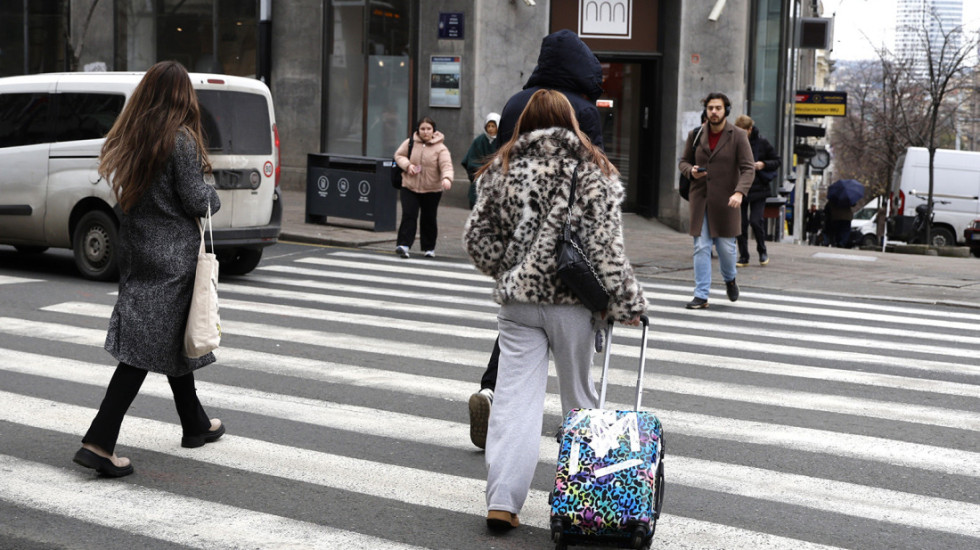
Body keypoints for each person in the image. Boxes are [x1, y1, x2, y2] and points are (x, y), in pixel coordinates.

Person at [464, 89, 646, 532]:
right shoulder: (592, 169)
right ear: (572, 122)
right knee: (580, 404)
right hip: (574, 302)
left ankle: (502, 502)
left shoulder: (501, 168)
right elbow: (606, 248)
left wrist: (506, 270)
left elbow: (477, 239)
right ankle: (589, 504)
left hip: (519, 305)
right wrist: (627, 303)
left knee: (512, 404)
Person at [73, 61, 225, 478]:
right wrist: (214, 197)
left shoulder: (135, 134)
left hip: (139, 248)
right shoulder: (180, 140)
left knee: (171, 336)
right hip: (173, 256)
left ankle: (195, 424)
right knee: (142, 349)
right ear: (182, 96)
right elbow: (196, 200)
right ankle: (99, 442)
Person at [467, 29, 606, 450]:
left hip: (519, 251)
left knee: (519, 330)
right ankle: (586, 462)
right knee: (578, 383)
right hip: (567, 255)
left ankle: (492, 394)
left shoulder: (514, 103)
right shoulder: (584, 109)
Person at [678, 92, 754, 309]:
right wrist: (690, 171)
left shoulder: (738, 135)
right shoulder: (696, 134)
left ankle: (730, 279)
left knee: (726, 249)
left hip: (727, 201)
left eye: (718, 108)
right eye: (710, 108)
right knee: (701, 246)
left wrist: (739, 192)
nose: (714, 112)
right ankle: (701, 295)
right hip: (700, 199)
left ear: (726, 111)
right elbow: (683, 162)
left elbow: (748, 168)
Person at [393, 117, 454, 259]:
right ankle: (404, 245)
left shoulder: (441, 148)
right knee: (409, 215)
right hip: (409, 186)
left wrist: (447, 178)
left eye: (428, 129)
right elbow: (398, 155)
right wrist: (408, 166)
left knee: (429, 218)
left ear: (434, 131)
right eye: (422, 129)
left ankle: (429, 247)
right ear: (418, 130)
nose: (425, 132)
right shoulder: (410, 143)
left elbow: (446, 165)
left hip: (432, 189)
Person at [733, 115, 781, 266]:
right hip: (740, 187)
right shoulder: (733, 143)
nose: (740, 134)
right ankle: (744, 256)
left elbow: (777, 161)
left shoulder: (762, 142)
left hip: (759, 188)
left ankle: (762, 251)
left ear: (750, 129)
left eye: (743, 131)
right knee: (740, 224)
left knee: (755, 221)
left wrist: (763, 164)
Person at [460, 112, 500, 209]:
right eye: (488, 126)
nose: (490, 129)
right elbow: (471, 160)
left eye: (493, 126)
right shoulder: (479, 140)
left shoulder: (502, 140)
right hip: (481, 175)